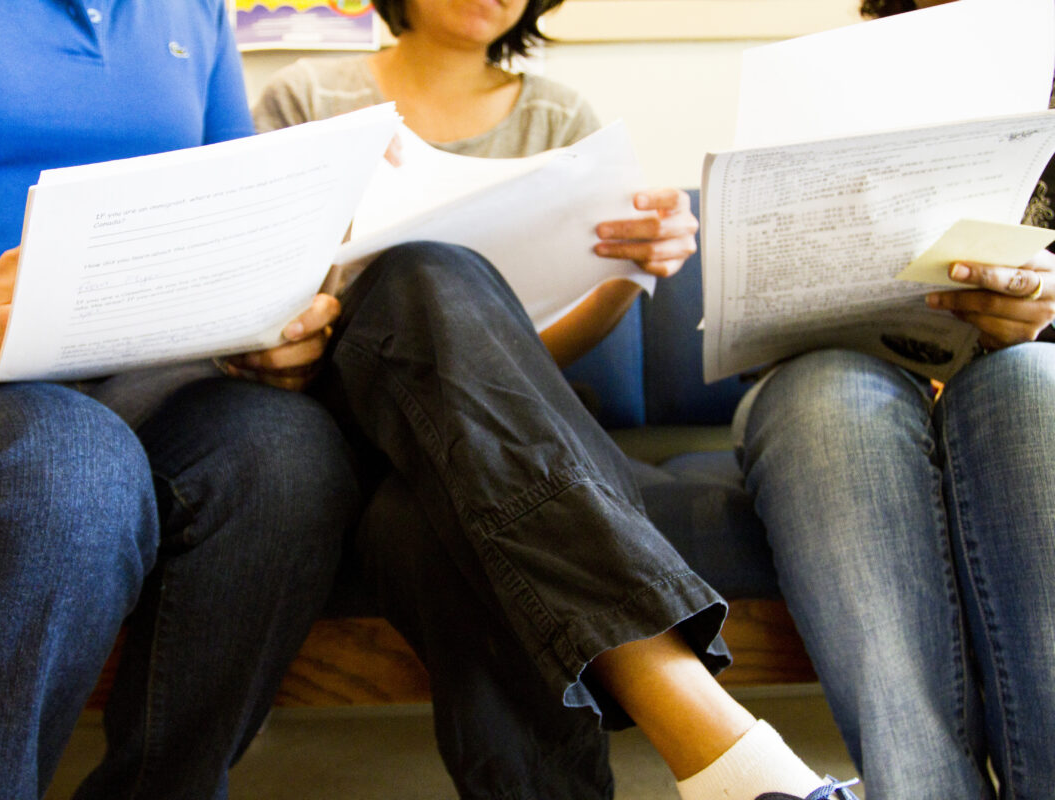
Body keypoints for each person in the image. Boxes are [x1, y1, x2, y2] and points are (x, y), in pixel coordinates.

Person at [249, 2, 860, 798]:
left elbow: (540, 352)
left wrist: (631, 271)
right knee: (423, 271)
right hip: (346, 412)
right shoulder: (304, 98)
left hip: (486, 432)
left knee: (425, 520)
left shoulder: (559, 116)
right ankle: (733, 760)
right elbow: (258, 291)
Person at [0, 1, 363, 797]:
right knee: (58, 462)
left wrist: (264, 322)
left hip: (120, 378)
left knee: (285, 454)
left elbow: (236, 222)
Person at [732, 0, 1055, 797]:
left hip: (1027, 374)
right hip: (835, 374)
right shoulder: (829, 83)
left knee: (1031, 384)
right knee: (826, 404)